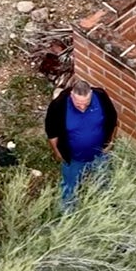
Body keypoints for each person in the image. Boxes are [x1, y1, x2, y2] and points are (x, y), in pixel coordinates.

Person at [44, 80, 118, 209]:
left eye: (86, 104)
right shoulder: (59, 106)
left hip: (100, 153)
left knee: (103, 177)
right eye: (78, 105)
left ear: (91, 94)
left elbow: (113, 120)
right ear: (71, 95)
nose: (82, 108)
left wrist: (111, 142)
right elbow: (52, 133)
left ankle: (106, 202)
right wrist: (57, 152)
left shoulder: (100, 96)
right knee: (70, 183)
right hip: (74, 158)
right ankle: (68, 209)